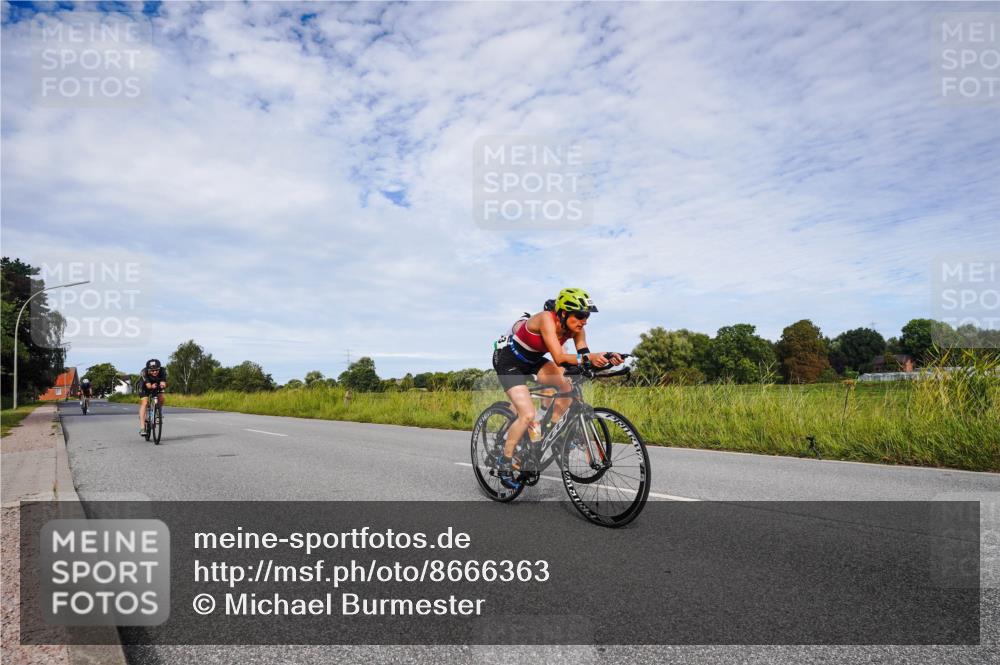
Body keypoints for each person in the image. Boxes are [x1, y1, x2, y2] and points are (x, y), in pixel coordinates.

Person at [491, 288, 623, 489]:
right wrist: (592, 357)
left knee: (566, 386)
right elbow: (560, 358)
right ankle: (504, 461)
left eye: (586, 316)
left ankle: (547, 436)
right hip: (510, 361)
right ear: (563, 313)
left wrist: (607, 359)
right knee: (527, 413)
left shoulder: (578, 330)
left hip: (534, 361)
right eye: (579, 315)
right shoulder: (546, 319)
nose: (584, 320)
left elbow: (583, 357)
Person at [138, 358, 168, 436]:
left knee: (161, 397)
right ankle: (142, 428)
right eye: (152, 370)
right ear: (148, 370)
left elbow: (163, 382)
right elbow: (148, 386)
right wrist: (151, 386)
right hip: (144, 386)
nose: (154, 372)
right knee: (145, 402)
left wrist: (162, 384)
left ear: (159, 368)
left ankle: (158, 412)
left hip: (156, 384)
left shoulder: (163, 371)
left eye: (156, 370)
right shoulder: (144, 372)